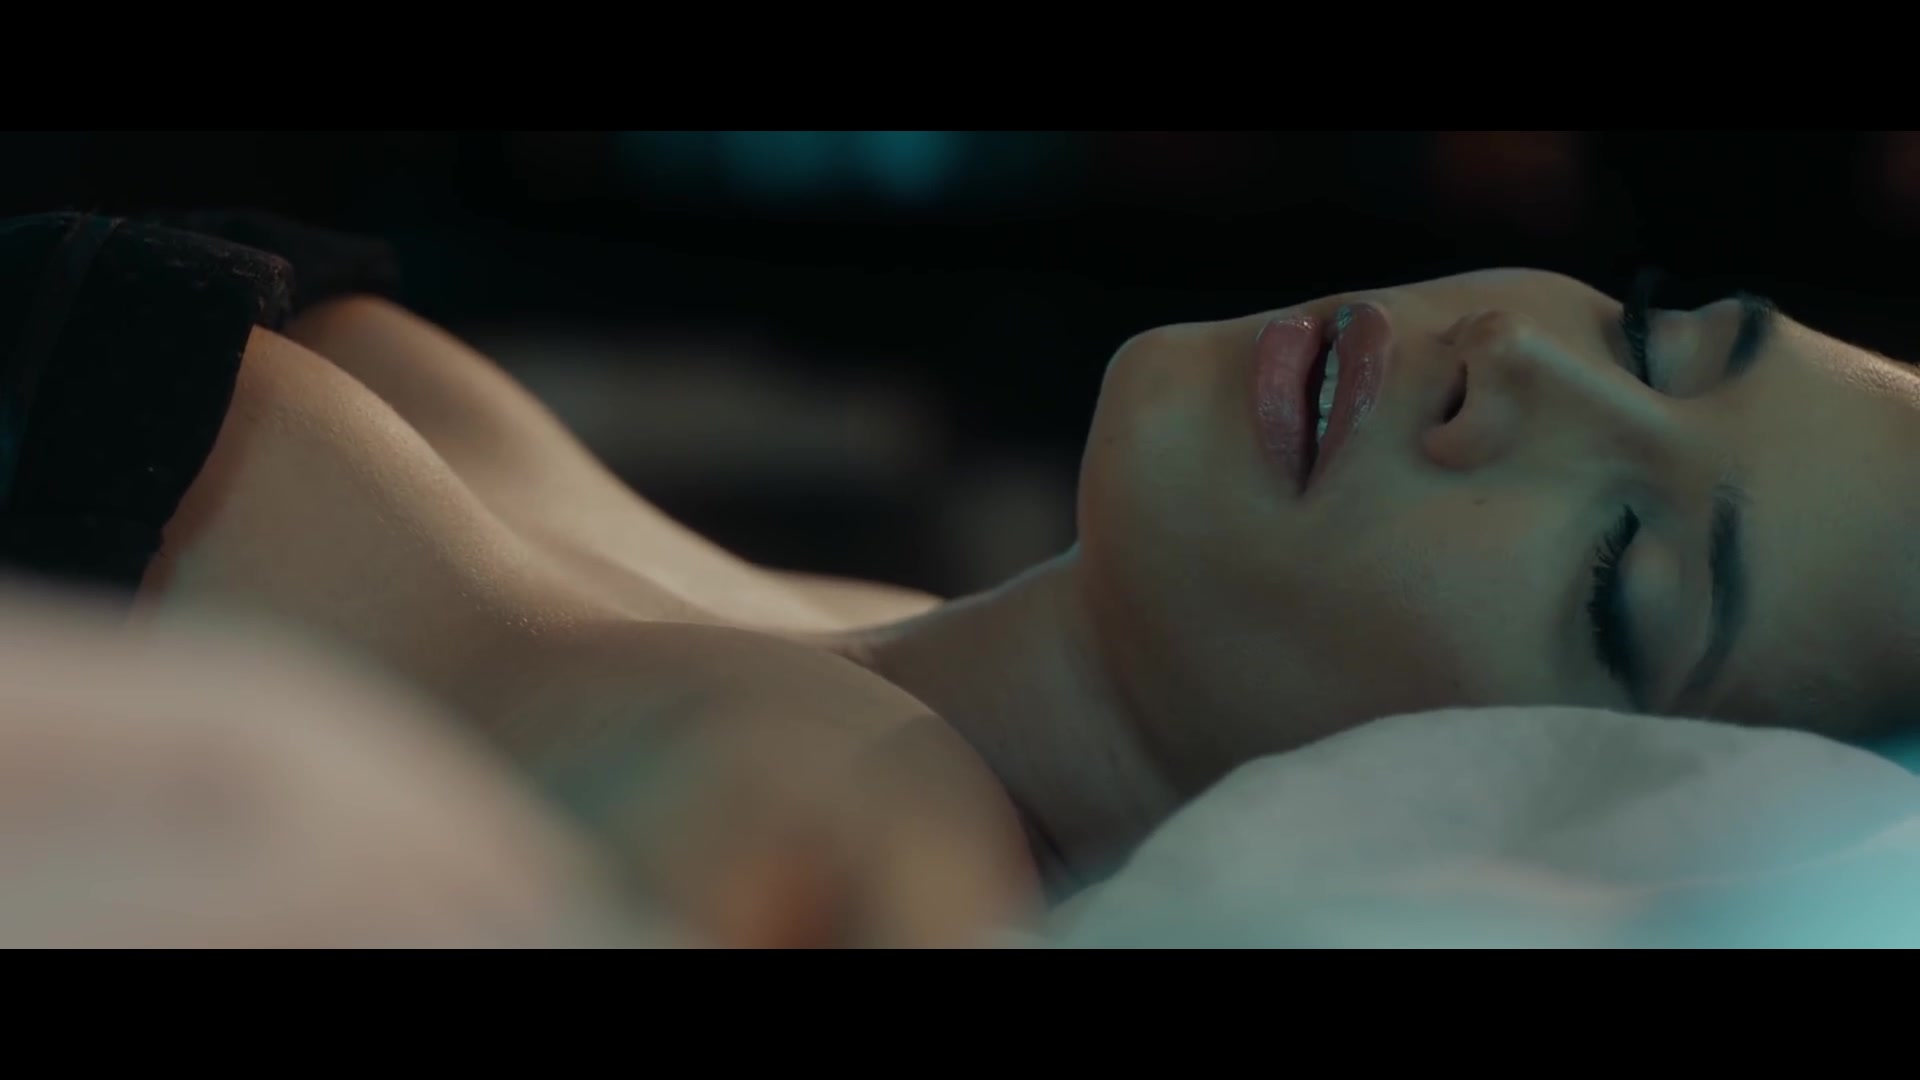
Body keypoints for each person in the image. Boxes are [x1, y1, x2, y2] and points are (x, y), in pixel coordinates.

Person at [5, 211, 1917, 943]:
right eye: (1660, 340)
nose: (1526, 368)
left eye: (1625, 574)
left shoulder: (843, 789)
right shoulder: (808, 627)